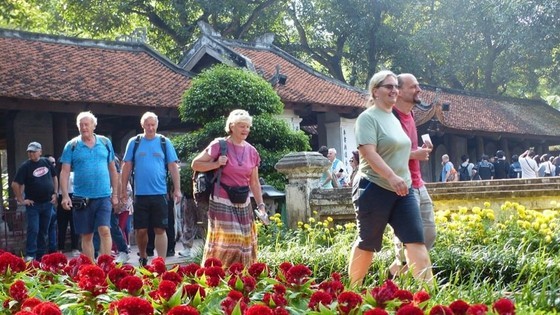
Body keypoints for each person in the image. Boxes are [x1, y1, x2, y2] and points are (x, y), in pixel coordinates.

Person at [348, 70, 433, 287]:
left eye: (396, 86)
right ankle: (352, 291)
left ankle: (430, 297)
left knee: (416, 240)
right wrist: (391, 176)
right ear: (375, 91)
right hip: (374, 187)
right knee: (368, 242)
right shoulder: (367, 118)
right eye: (389, 86)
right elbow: (368, 152)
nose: (394, 90)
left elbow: (402, 151)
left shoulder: (394, 117)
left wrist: (405, 176)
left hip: (404, 190)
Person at [191, 109, 268, 268]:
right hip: (222, 199)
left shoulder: (252, 151)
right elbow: (196, 164)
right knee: (231, 241)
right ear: (232, 126)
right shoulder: (219, 145)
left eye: (247, 126)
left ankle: (243, 278)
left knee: (246, 242)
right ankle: (217, 275)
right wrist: (216, 164)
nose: (245, 129)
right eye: (242, 126)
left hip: (244, 202)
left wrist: (261, 205)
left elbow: (254, 182)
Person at [389, 73, 437, 277]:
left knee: (429, 233)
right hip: (402, 184)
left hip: (418, 183)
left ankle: (397, 271)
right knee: (408, 236)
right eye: (413, 87)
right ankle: (416, 282)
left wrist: (419, 149)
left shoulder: (411, 115)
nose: (418, 90)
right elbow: (384, 153)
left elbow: (404, 147)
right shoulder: (390, 118)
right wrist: (413, 153)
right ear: (398, 91)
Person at [120, 112, 182, 267]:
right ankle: (143, 256)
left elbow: (173, 166)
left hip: (160, 193)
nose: (150, 127)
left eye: (153, 124)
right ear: (142, 125)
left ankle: (161, 262)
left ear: (157, 125)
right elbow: (126, 167)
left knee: (160, 228)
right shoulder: (134, 142)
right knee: (141, 230)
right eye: (147, 124)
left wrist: (177, 189)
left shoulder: (164, 142)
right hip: (140, 194)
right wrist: (122, 191)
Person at [59, 111, 119, 263]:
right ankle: (91, 268)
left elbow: (113, 169)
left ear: (94, 125)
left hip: (103, 195)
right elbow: (64, 171)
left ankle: (106, 265)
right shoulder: (71, 146)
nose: (84, 127)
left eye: (87, 124)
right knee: (86, 235)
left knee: (105, 230)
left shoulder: (105, 142)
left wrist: (115, 194)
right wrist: (65, 195)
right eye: (81, 125)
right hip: (81, 197)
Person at [12, 142, 58, 261]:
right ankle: (30, 254)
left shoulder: (46, 162)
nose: (31, 153)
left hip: (47, 203)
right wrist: (21, 200)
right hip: (34, 204)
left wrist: (55, 192)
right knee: (34, 229)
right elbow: (15, 184)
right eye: (29, 151)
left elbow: (54, 176)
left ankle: (40, 255)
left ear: (40, 152)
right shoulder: (25, 166)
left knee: (44, 230)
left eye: (33, 151)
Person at [43, 154, 58, 254]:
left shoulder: (55, 175)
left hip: (53, 205)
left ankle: (53, 249)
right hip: (42, 204)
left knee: (52, 226)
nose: (52, 165)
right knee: (43, 228)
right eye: (50, 163)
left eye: (54, 163)